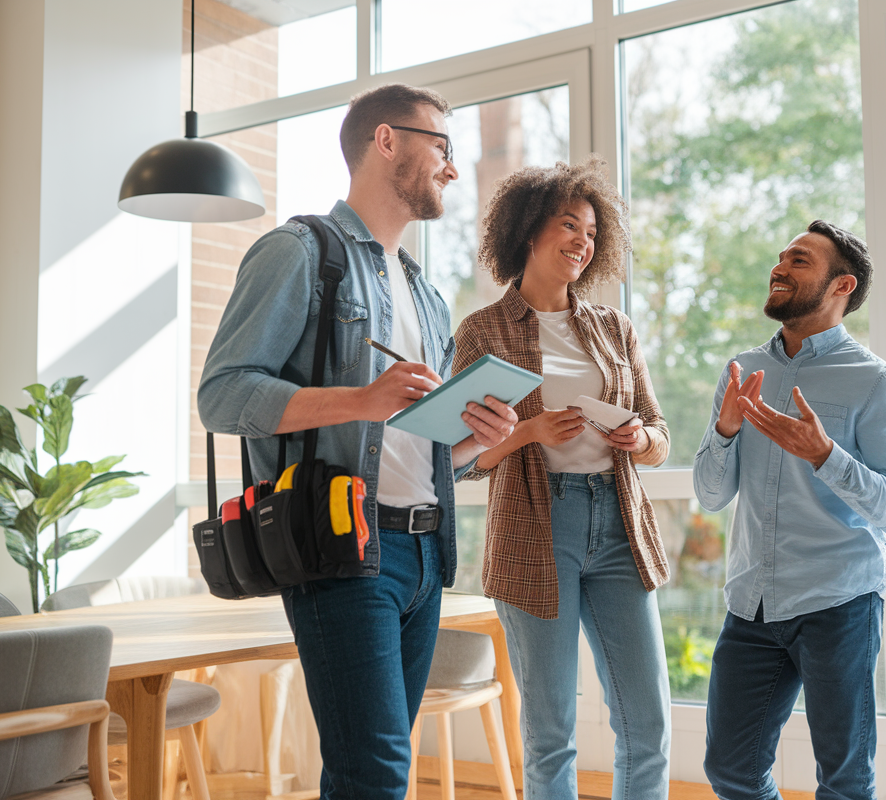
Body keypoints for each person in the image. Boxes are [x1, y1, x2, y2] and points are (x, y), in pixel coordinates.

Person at [198, 83, 518, 798]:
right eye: (442, 147)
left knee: (373, 770)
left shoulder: (428, 296)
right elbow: (221, 394)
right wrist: (362, 399)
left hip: (425, 551)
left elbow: (419, 449)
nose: (453, 169)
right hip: (342, 542)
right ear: (386, 141)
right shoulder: (300, 252)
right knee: (375, 772)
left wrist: (479, 444)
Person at [453, 156, 672, 799]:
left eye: (594, 233)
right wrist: (529, 431)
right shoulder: (483, 331)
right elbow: (462, 459)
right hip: (534, 528)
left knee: (647, 722)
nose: (584, 241)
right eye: (570, 225)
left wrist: (640, 438)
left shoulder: (613, 328)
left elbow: (659, 436)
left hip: (618, 523)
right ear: (527, 232)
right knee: (551, 729)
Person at [694, 220, 886, 800]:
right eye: (781, 256)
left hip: (838, 602)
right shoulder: (743, 372)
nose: (780, 267)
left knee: (844, 780)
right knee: (730, 771)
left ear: (842, 286)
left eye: (799, 260)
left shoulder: (875, 382)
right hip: (752, 604)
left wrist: (825, 455)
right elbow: (712, 496)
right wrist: (726, 428)